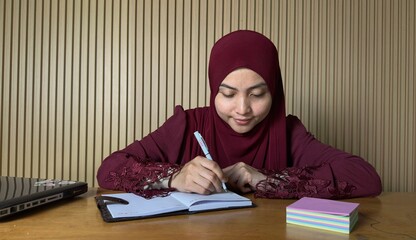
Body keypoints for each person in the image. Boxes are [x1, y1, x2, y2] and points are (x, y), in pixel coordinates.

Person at [96, 30, 382, 199]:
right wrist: (175, 177)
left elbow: (366, 178)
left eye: (257, 94)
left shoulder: (287, 131)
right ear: (213, 91)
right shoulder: (187, 125)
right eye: (229, 94)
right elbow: (109, 169)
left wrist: (264, 180)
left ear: (275, 92)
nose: (243, 109)